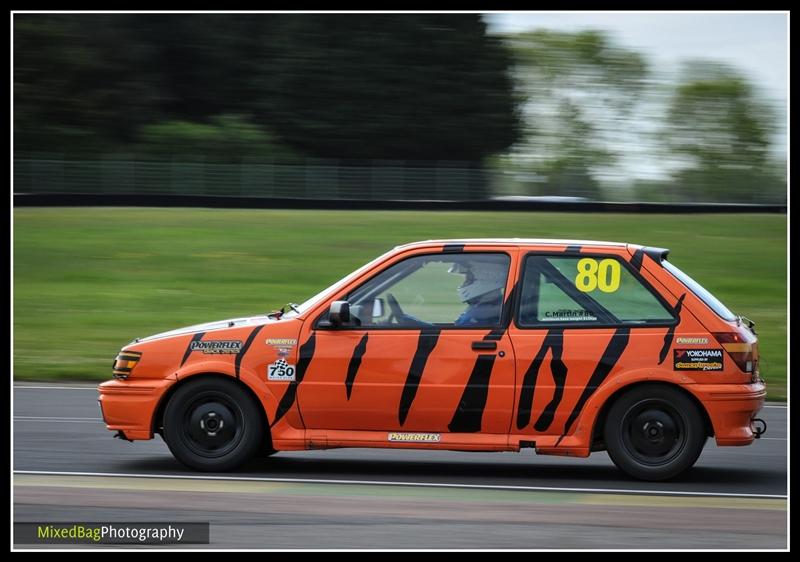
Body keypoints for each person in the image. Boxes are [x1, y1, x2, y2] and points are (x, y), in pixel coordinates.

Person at [451, 260, 506, 326]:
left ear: (485, 280)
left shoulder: (478, 314)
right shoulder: (500, 305)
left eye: (468, 280)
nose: (463, 285)